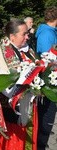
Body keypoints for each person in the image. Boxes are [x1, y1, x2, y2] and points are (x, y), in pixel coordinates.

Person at [0, 19, 38, 150]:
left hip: (28, 106)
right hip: (10, 110)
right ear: (12, 36)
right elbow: (4, 86)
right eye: (24, 34)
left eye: (28, 33)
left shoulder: (27, 50)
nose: (28, 37)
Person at [35, 6, 57, 149]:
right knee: (46, 116)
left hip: (52, 80)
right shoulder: (46, 34)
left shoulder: (50, 32)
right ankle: (40, 144)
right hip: (49, 82)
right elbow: (47, 59)